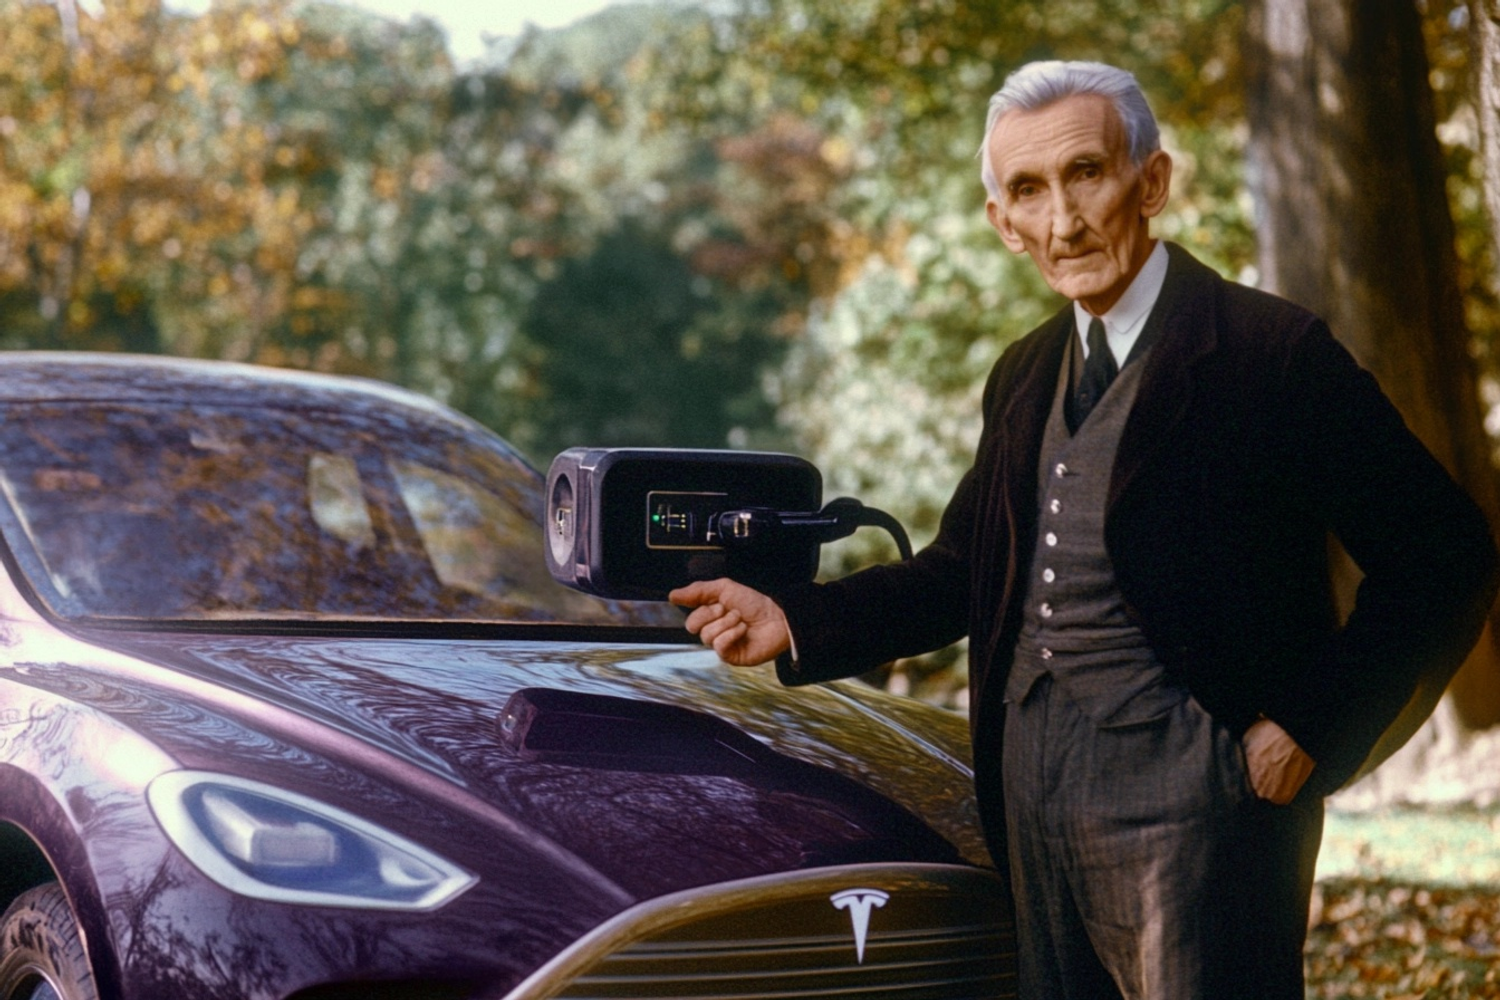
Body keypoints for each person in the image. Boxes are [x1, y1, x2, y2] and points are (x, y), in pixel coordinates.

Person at [669, 60, 1500, 999]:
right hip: (1031, 794)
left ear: (1151, 182)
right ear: (1003, 225)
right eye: (1028, 190)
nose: (1063, 219)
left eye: (1086, 174)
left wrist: (1312, 722)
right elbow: (960, 572)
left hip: (1202, 805)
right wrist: (796, 619)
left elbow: (1445, 556)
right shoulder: (1023, 376)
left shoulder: (1270, 355)